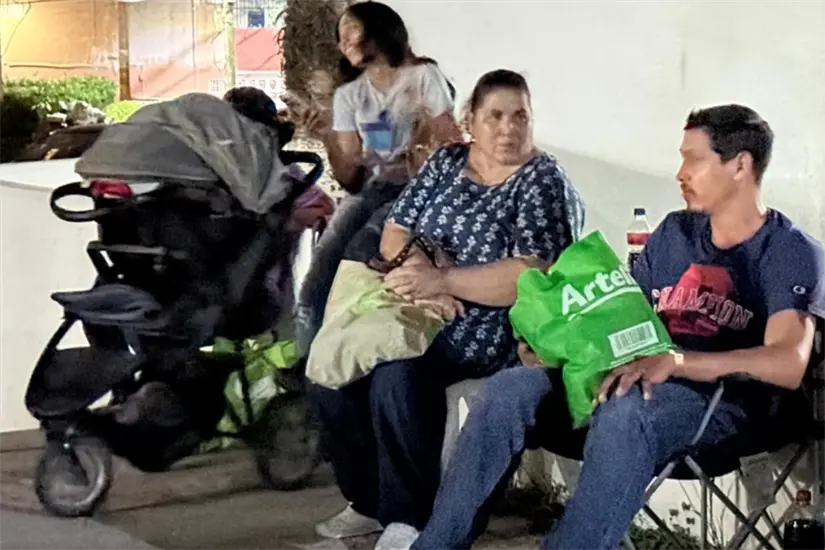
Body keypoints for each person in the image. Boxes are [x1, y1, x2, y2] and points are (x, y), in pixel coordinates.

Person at [408, 104, 825, 550]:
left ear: (740, 164)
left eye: (694, 159)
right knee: (511, 388)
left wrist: (678, 362)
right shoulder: (673, 234)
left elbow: (787, 362)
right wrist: (560, 344)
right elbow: (621, 317)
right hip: (629, 382)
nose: (680, 172)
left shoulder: (787, 250)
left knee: (626, 408)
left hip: (722, 406)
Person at [310, 69, 585, 550]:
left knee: (396, 374)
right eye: (495, 116)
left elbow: (531, 273)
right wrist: (422, 277)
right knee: (330, 369)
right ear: (470, 121)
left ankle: (409, 520)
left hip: (489, 323)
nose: (508, 128)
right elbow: (397, 228)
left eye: (520, 116)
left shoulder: (541, 180)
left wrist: (445, 281)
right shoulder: (447, 162)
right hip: (419, 303)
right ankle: (369, 500)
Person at [293, 1, 462, 357]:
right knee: (320, 274)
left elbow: (451, 146)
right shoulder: (349, 96)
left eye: (350, 33)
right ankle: (305, 363)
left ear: (379, 31)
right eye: (340, 38)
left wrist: (423, 142)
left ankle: (343, 355)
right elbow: (350, 178)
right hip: (376, 189)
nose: (343, 45)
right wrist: (327, 136)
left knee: (358, 256)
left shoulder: (423, 77)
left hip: (420, 190)